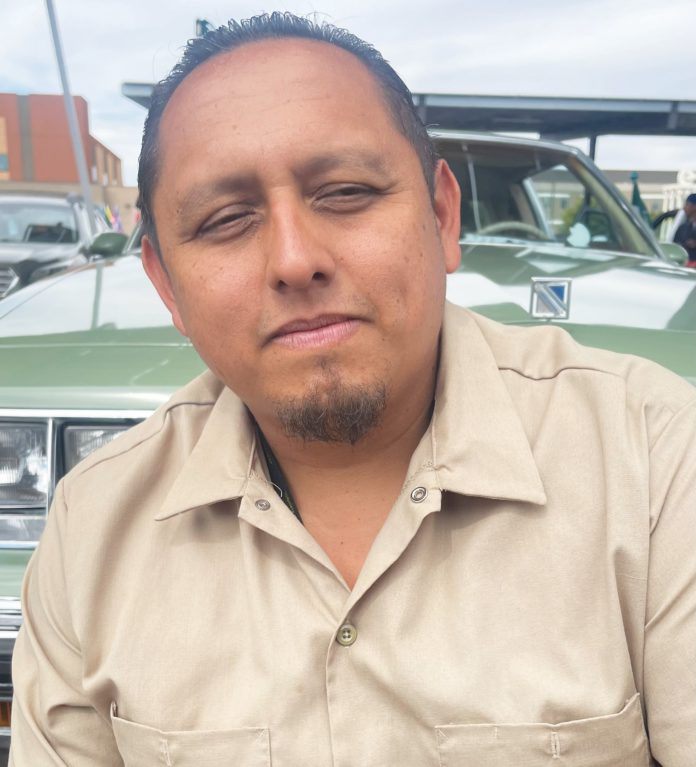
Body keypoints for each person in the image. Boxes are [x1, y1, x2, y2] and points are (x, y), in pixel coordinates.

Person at [10, 12, 696, 766]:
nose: (294, 260)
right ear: (165, 284)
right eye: (226, 219)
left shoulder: (655, 462)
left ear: (442, 216)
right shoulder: (90, 527)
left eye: (344, 192)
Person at [673, 192, 696, 266]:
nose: (684, 208)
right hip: (683, 266)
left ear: (694, 207)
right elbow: (675, 247)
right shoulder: (682, 228)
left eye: (687, 204)